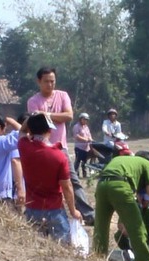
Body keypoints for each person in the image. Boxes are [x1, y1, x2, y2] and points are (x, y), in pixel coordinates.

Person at [27, 67, 95, 225]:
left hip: (60, 148)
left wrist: (46, 115)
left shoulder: (62, 95)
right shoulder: (33, 101)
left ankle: (88, 214)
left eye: (52, 81)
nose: (50, 85)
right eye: (46, 81)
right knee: (41, 183)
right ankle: (38, 214)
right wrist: (55, 117)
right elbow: (37, 122)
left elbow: (69, 115)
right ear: (39, 82)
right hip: (41, 148)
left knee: (72, 180)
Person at [93, 153, 149, 261]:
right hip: (120, 187)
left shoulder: (121, 159)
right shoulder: (148, 164)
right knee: (138, 230)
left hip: (102, 185)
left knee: (100, 230)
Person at [18, 112, 81, 243]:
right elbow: (67, 187)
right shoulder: (59, 156)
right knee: (62, 251)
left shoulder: (24, 147)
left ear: (31, 129)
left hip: (32, 209)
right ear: (50, 130)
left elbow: (22, 131)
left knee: (34, 249)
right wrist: (73, 210)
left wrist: (31, 118)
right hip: (54, 210)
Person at [73, 112, 93, 178]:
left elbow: (89, 135)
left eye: (86, 120)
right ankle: (76, 175)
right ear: (80, 119)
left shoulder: (86, 127)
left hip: (86, 148)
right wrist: (84, 139)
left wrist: (90, 139)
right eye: (84, 119)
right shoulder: (76, 126)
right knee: (78, 161)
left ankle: (84, 174)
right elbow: (76, 136)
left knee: (84, 162)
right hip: (79, 147)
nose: (85, 121)